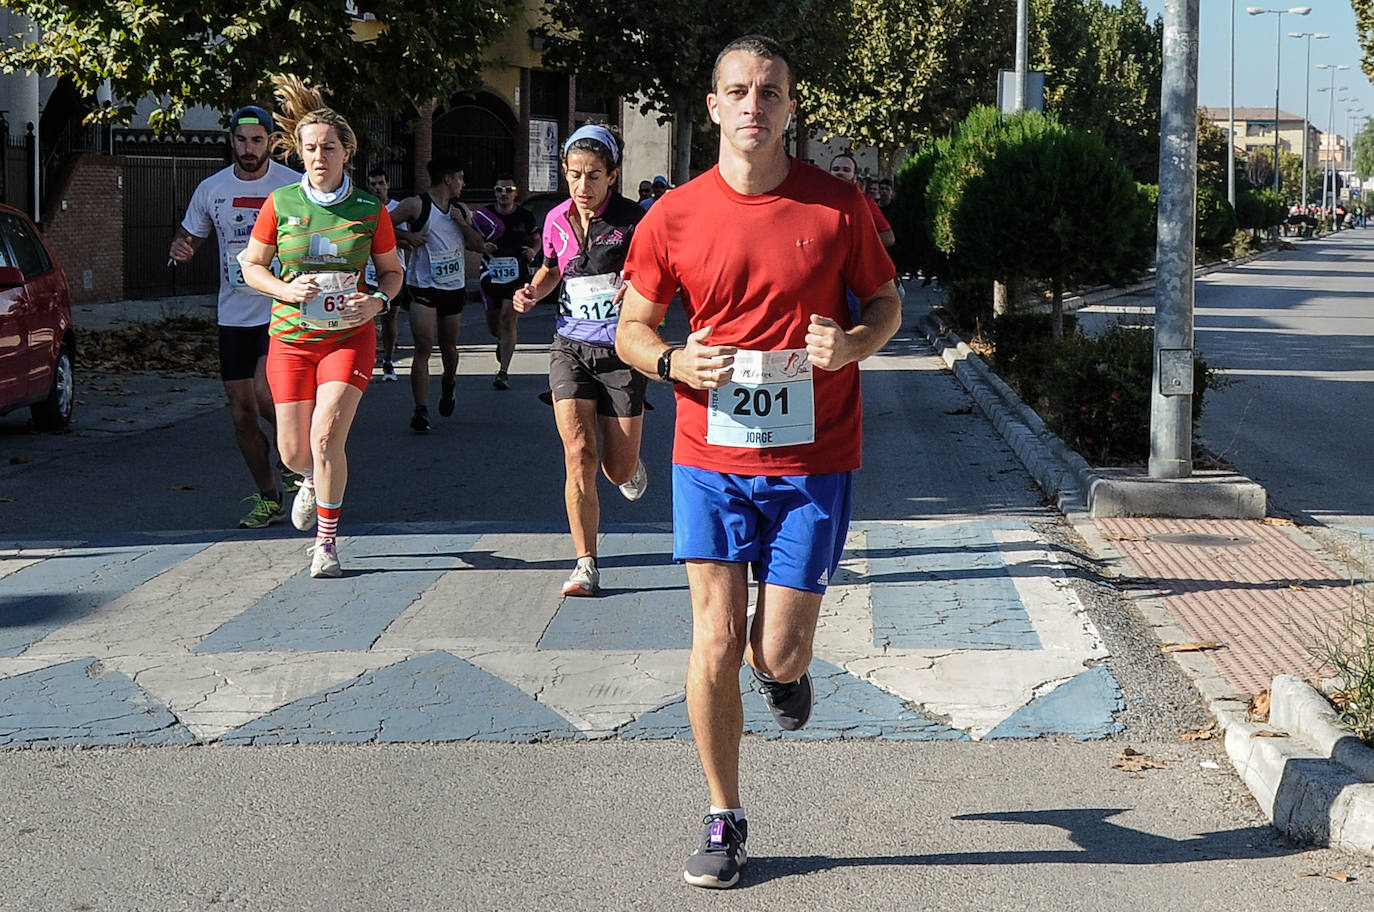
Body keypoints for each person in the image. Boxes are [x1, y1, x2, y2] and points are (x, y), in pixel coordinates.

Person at [616, 35, 900, 889]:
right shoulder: (674, 216)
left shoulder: (838, 207)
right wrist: (671, 362)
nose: (753, 105)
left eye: (769, 91)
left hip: (813, 459)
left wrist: (851, 342)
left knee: (775, 651)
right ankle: (723, 814)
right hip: (709, 454)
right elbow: (631, 330)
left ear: (789, 105)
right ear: (713, 108)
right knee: (712, 642)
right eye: (737, 91)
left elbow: (887, 303)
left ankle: (782, 674)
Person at [238, 75, 403, 578]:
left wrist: (376, 301)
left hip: (349, 337)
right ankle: (309, 480)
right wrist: (284, 290)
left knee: (327, 435)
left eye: (328, 148)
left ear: (346, 152)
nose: (318, 157)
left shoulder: (369, 210)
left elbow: (393, 273)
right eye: (310, 148)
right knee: (293, 451)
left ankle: (326, 544)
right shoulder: (281, 203)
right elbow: (252, 265)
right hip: (290, 339)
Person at [512, 124, 649, 597]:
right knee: (578, 455)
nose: (582, 187)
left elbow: (657, 278)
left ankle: (630, 467)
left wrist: (638, 292)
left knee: (615, 468)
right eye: (573, 175)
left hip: (622, 352)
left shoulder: (635, 222)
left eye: (593, 176)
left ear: (612, 176)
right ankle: (585, 562)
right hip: (569, 346)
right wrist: (533, 291)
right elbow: (552, 269)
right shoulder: (555, 220)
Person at [168, 104, 302, 529]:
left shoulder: (293, 186)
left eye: (257, 141)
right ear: (232, 140)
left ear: (270, 142)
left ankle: (297, 457)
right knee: (241, 412)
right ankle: (270, 497)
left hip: (281, 309)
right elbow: (190, 235)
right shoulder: (212, 189)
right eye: (242, 141)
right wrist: (182, 248)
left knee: (265, 394)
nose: (249, 149)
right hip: (235, 314)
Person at [387, 158, 494, 432]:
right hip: (422, 285)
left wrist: (462, 224)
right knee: (423, 346)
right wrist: (406, 238)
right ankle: (420, 410)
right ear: (448, 179)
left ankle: (449, 383)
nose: (463, 184)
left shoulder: (461, 210)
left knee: (448, 346)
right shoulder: (416, 205)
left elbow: (479, 245)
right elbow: (381, 228)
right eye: (460, 178)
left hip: (453, 287)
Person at [473, 176, 539, 390]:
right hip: (490, 275)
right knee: (495, 326)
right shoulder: (483, 215)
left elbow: (536, 240)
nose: (503, 194)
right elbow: (470, 239)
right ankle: (501, 340)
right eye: (499, 190)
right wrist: (482, 245)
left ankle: (503, 372)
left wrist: (533, 251)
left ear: (515, 193)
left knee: (508, 319)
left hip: (516, 275)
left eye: (508, 190)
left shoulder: (525, 216)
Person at [364, 167, 414, 382]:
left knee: (389, 318)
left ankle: (389, 358)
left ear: (388, 185)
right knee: (366, 318)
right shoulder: (365, 208)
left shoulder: (396, 210)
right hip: (368, 271)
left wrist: (388, 238)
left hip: (393, 270)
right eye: (373, 184)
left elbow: (408, 242)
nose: (377, 188)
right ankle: (368, 359)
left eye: (381, 183)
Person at [829, 152, 895, 248]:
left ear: (854, 177)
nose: (840, 173)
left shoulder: (865, 201)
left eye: (846, 170)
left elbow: (888, 237)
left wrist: (856, 246)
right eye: (836, 169)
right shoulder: (819, 199)